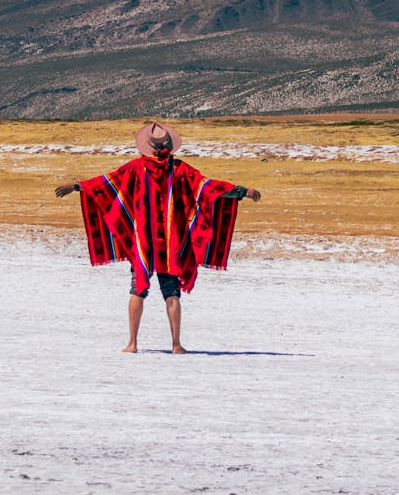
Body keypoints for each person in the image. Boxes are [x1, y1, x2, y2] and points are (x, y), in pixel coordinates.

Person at [55, 121, 261, 354]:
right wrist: (242, 191)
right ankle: (176, 344)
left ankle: (132, 343)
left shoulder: (135, 168)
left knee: (137, 289)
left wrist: (76, 186)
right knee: (171, 292)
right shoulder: (181, 169)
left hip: (143, 240)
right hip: (171, 242)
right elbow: (208, 187)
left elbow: (107, 183)